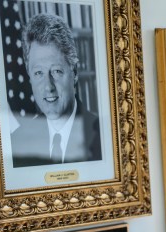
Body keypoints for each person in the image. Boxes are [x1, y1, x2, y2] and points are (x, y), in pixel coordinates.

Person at [10, 13, 103, 168]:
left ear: (74, 73)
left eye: (56, 71)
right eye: (38, 73)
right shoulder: (20, 143)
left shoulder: (104, 134)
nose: (48, 86)